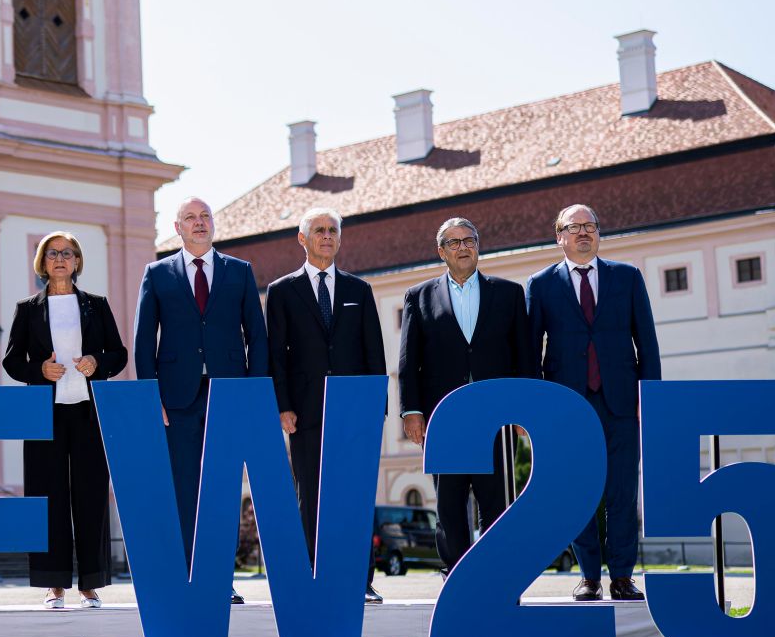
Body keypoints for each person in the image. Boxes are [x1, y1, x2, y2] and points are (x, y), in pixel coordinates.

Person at [134, 196, 268, 603]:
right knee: (183, 487)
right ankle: (187, 574)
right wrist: (149, 394)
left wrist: (253, 393)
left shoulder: (240, 272)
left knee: (225, 488)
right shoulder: (156, 273)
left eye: (205, 216)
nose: (199, 223)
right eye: (190, 218)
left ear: (213, 224)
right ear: (177, 227)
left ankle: (218, 577)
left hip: (228, 394)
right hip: (176, 398)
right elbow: (143, 339)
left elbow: (256, 336)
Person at [527, 203, 660, 603]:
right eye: (575, 227)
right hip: (567, 406)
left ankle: (621, 576)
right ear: (559, 237)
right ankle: (589, 577)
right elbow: (532, 350)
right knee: (578, 492)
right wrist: (537, 407)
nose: (584, 232)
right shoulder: (541, 284)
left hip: (621, 402)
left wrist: (649, 395)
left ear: (598, 234)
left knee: (623, 492)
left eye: (591, 226)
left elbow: (647, 342)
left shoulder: (628, 277)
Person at [265, 206, 388, 604]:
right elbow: (276, 356)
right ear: (302, 239)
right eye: (318, 230)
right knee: (310, 498)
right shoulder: (283, 291)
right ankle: (314, 577)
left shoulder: (360, 290)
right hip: (305, 413)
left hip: (354, 412)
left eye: (332, 230)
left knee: (356, 498)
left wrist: (376, 407)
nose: (326, 236)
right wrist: (282, 405)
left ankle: (361, 580)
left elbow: (375, 354)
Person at [398, 217, 533, 572]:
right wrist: (411, 411)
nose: (463, 247)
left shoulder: (508, 293)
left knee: (498, 501)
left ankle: (497, 572)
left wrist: (525, 411)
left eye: (469, 240)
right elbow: (409, 362)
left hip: (497, 417)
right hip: (445, 416)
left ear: (478, 245)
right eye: (454, 242)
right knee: (449, 505)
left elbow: (525, 356)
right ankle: (455, 574)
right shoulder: (419, 296)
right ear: (441, 251)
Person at [1, 231, 127, 608]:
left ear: (76, 262)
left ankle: (90, 583)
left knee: (90, 496)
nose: (60, 259)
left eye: (67, 253)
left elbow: (118, 354)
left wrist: (97, 363)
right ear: (42, 261)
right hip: (43, 414)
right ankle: (53, 583)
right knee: (47, 496)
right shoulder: (27, 308)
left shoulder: (96, 305)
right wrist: (39, 369)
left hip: (88, 413)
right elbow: (10, 361)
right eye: (52, 253)